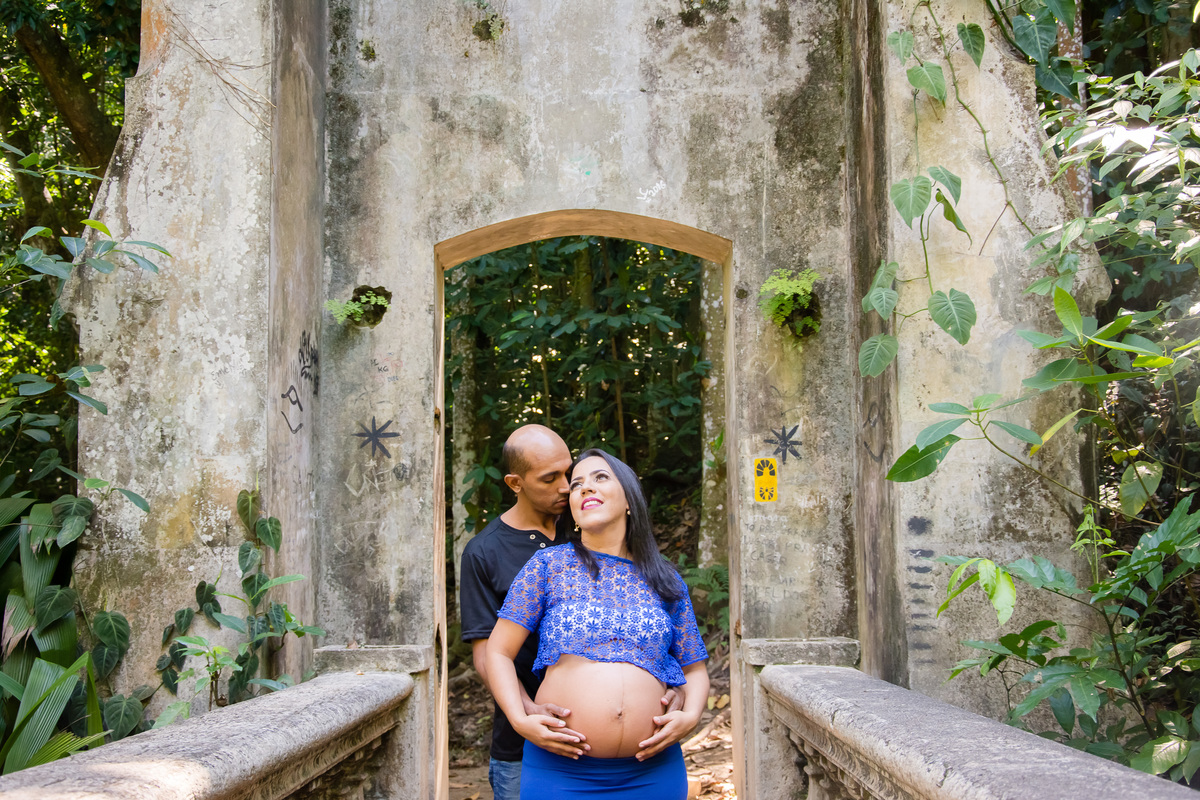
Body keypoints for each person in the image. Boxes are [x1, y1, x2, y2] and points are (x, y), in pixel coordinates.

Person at [485, 448, 710, 799]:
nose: (585, 488)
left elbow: (694, 668)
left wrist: (691, 715)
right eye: (577, 484)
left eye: (600, 477)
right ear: (573, 511)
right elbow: (498, 652)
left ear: (629, 499)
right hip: (560, 770)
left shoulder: (664, 578)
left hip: (653, 770)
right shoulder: (548, 566)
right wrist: (519, 718)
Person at [459, 424, 582, 800]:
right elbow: (486, 654)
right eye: (550, 478)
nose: (566, 486)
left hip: (606, 747)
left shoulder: (589, 527)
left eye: (568, 472)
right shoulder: (484, 552)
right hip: (522, 747)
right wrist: (528, 712)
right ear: (515, 483)